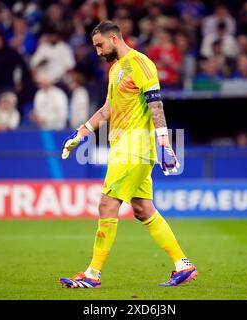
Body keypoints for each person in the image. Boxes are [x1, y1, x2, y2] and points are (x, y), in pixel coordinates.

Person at [59, 21, 197, 289]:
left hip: (134, 146)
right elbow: (109, 107)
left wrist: (165, 144)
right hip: (126, 146)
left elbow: (155, 103)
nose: (98, 51)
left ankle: (92, 274)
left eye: (100, 45)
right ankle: (183, 265)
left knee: (107, 204)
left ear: (114, 38)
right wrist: (82, 132)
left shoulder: (140, 62)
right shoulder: (116, 70)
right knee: (143, 209)